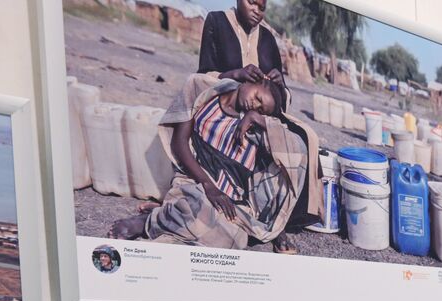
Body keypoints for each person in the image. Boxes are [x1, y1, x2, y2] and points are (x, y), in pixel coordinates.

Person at [109, 73, 315, 253]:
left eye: (262, 110)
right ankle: (147, 222)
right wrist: (209, 186)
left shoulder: (253, 125)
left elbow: (299, 147)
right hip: (196, 181)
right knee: (198, 207)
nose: (256, 106)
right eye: (258, 98)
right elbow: (180, 143)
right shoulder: (204, 96)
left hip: (231, 200)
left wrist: (258, 119)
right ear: (254, 81)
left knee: (236, 239)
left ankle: (168, 215)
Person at [196, 0, 321, 250]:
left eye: (262, 7)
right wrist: (235, 75)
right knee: (257, 142)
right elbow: (202, 77)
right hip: (227, 106)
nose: (256, 10)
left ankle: (280, 219)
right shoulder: (217, 22)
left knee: (304, 137)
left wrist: (278, 83)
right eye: (251, 2)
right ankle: (262, 216)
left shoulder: (267, 38)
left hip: (260, 109)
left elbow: (278, 97)